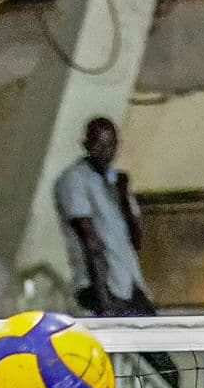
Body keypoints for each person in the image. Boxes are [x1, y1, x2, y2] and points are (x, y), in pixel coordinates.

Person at [56, 114, 151, 316]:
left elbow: (137, 240)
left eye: (110, 145)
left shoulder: (116, 181)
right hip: (98, 285)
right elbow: (89, 241)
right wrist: (104, 301)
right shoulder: (75, 179)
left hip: (128, 280)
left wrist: (123, 198)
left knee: (153, 330)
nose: (105, 151)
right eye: (99, 145)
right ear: (86, 144)